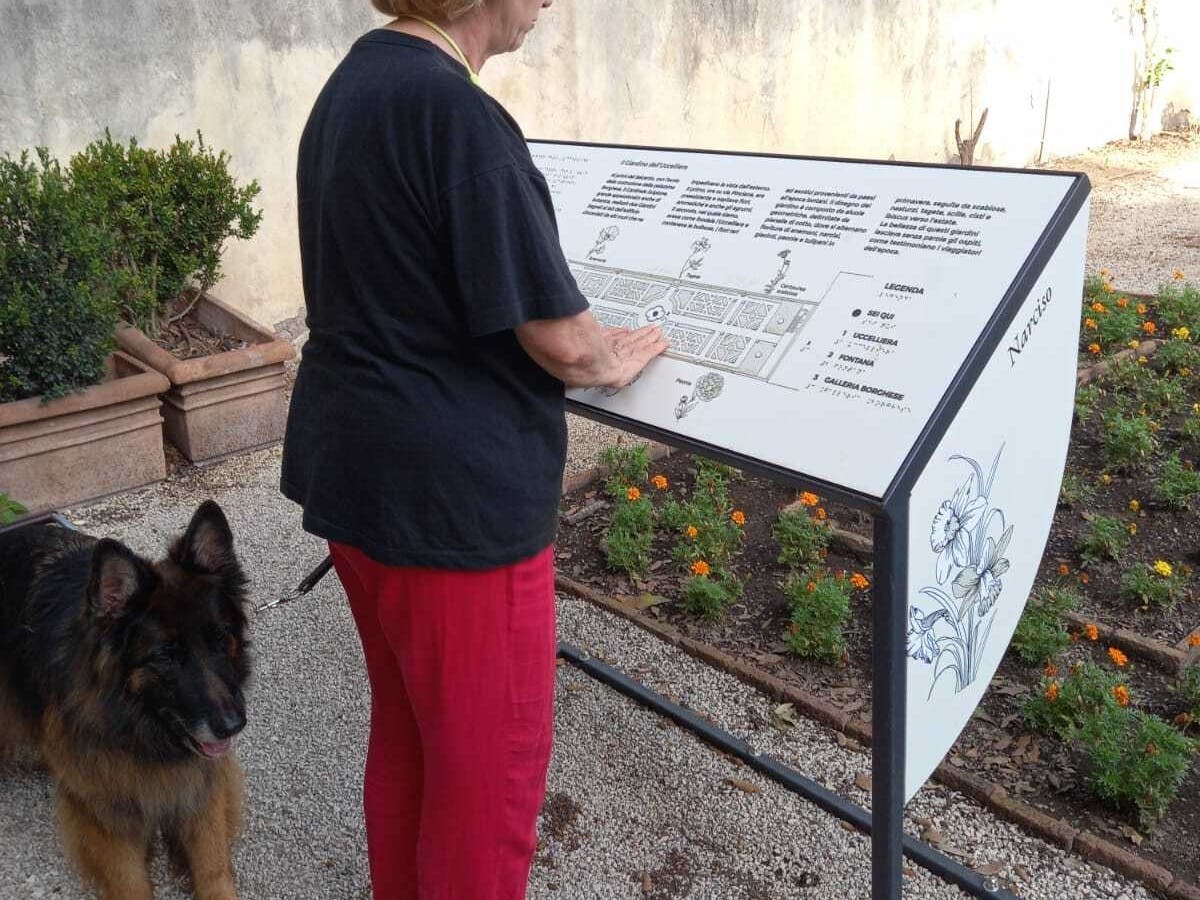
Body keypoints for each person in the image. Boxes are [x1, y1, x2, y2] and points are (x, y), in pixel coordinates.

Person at [279, 1, 668, 898]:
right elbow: (561, 340)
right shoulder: (458, 113)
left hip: (359, 474)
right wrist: (611, 354)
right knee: (486, 786)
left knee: (412, 737)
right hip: (453, 504)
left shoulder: (357, 80)